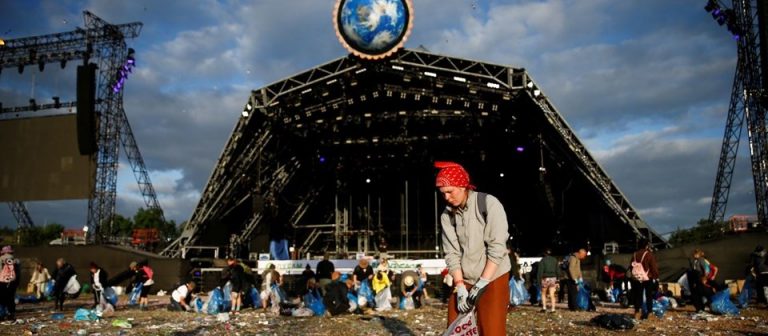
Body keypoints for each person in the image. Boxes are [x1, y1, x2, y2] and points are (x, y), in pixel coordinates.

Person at [437, 161, 512, 335]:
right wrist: (460, 285)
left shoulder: (488, 203)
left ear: (463, 186)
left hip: (493, 276)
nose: (447, 197)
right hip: (465, 279)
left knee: (491, 330)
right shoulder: (447, 215)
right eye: (443, 193)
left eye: (450, 191)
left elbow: (497, 247)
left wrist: (483, 283)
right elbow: (451, 253)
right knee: (456, 329)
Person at [629, 239, 659, 320]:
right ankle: (649, 313)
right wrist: (656, 276)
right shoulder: (649, 254)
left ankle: (637, 313)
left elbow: (631, 266)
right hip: (647, 278)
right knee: (649, 295)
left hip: (637, 278)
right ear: (646, 245)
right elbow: (653, 267)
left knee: (638, 295)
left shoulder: (635, 254)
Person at [689, 248, 716, 313]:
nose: (694, 255)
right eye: (694, 253)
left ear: (698, 254)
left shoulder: (701, 260)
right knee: (696, 294)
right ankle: (700, 308)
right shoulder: (694, 261)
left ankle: (712, 307)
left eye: (696, 253)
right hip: (696, 278)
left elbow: (706, 270)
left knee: (705, 293)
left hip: (701, 277)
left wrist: (704, 278)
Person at [536, 248, 560, 313]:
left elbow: (540, 272)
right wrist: (558, 279)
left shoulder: (542, 260)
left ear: (544, 253)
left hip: (545, 278)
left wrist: (538, 281)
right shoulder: (555, 260)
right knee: (552, 294)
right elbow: (558, 270)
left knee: (543, 293)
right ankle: (553, 309)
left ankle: (544, 308)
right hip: (553, 278)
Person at [0, 246, 19, 320]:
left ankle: (1, 314)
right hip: (12, 282)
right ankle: (11, 314)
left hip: (2, 282)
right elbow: (18, 273)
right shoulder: (16, 260)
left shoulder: (1, 259)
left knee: (1, 299)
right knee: (10, 299)